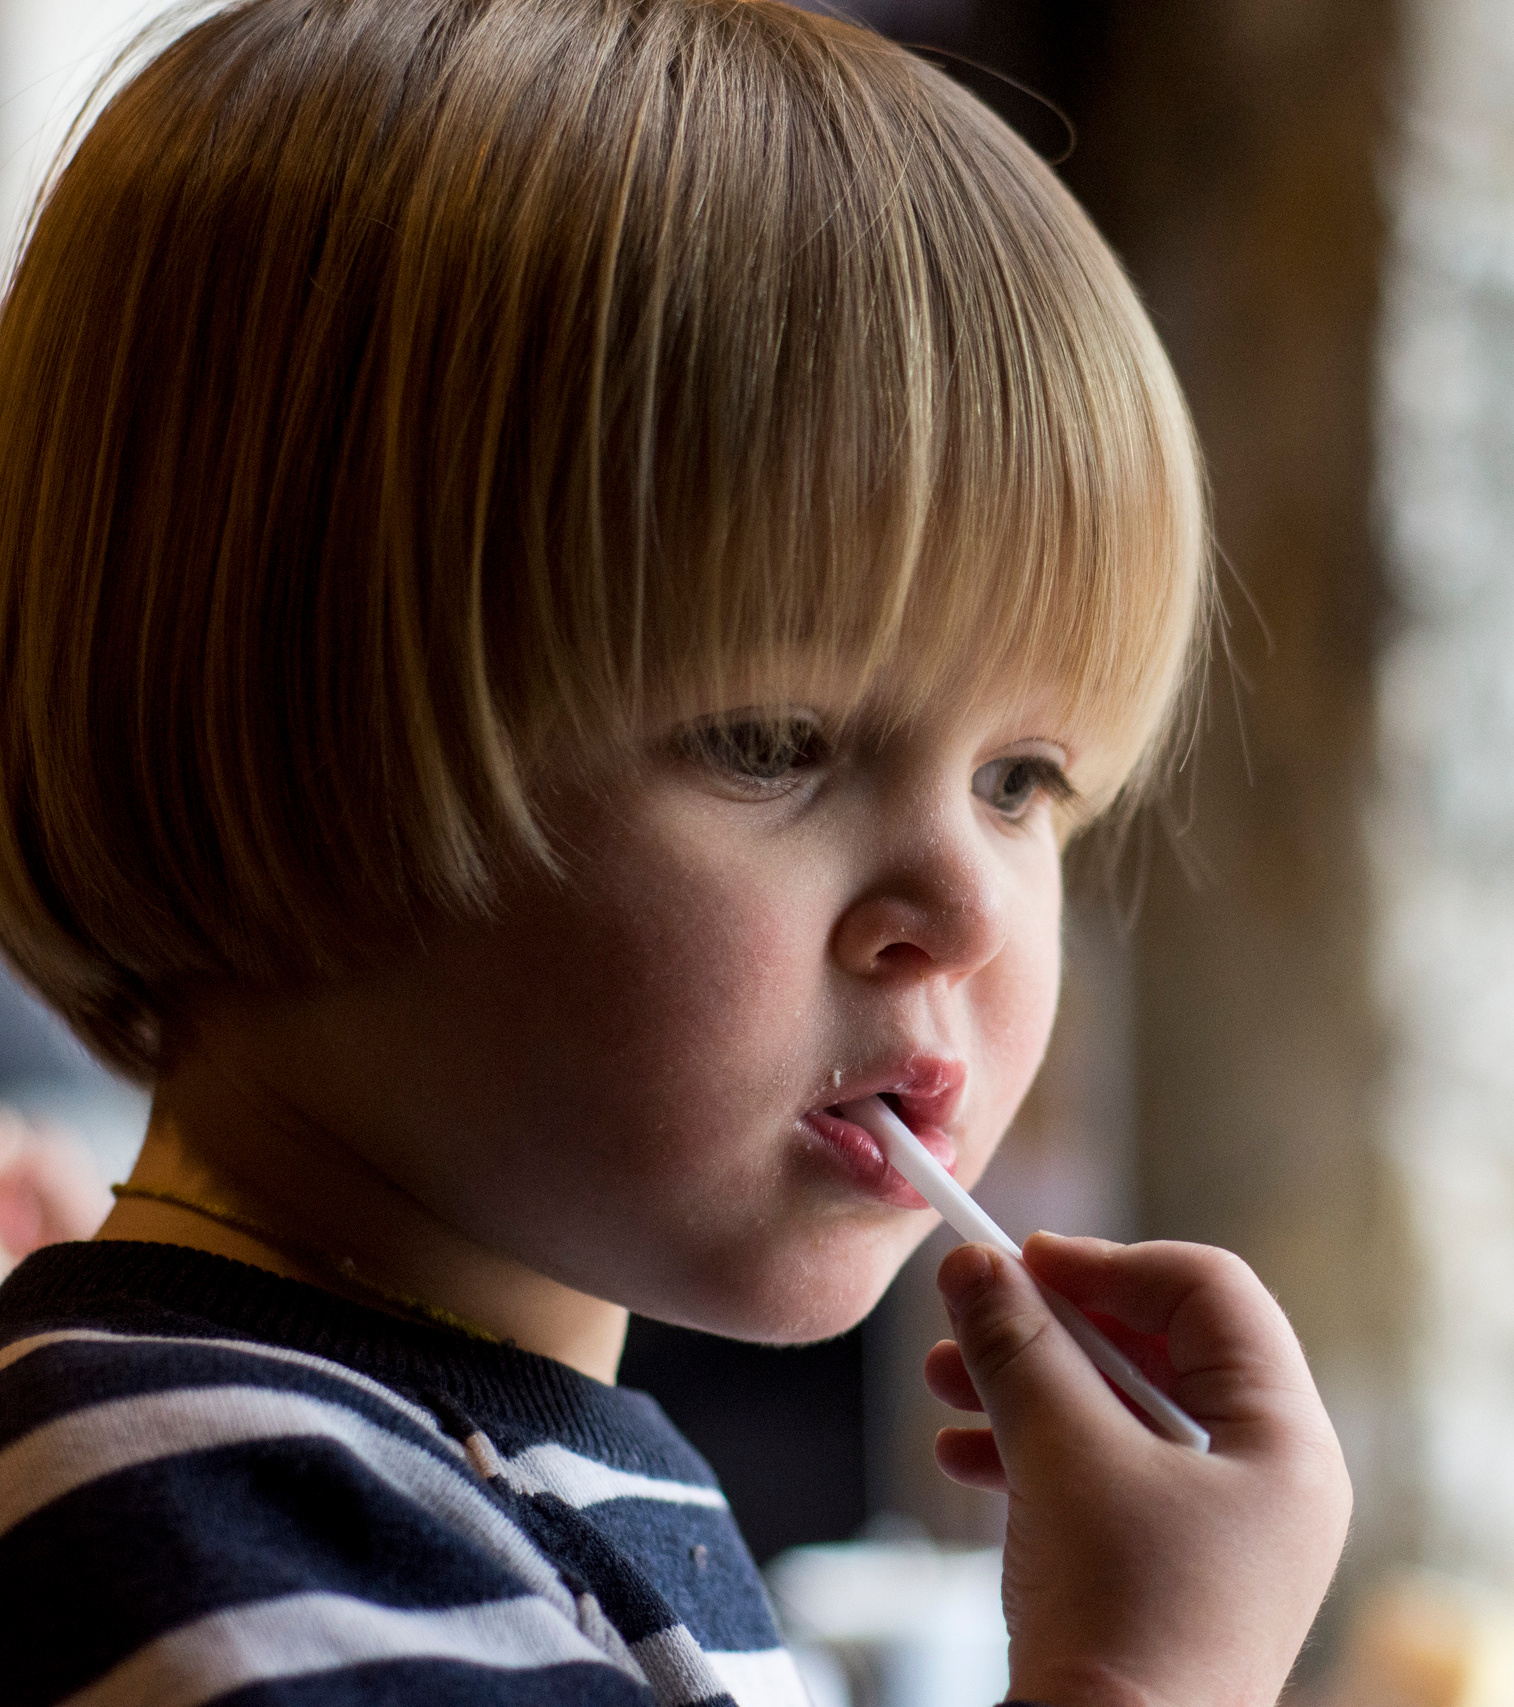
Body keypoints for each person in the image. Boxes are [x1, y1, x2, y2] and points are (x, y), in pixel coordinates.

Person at [0, 2, 1352, 1703]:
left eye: (1019, 780)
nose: (959, 911)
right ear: (266, 716)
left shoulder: (493, 1482)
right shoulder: (209, 1519)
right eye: (773, 744)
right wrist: (1142, 1682)